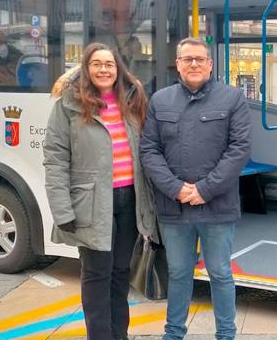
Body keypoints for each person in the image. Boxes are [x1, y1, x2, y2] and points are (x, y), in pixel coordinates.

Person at [43, 42, 158, 340]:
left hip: (129, 201)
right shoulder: (67, 106)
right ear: (86, 68)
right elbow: (55, 160)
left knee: (121, 274)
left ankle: (119, 335)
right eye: (97, 63)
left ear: (118, 69)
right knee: (96, 276)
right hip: (91, 205)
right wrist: (62, 210)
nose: (104, 69)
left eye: (109, 64)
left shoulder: (132, 101)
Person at [140, 37, 252, 340]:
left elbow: (239, 149)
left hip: (217, 206)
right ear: (177, 64)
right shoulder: (160, 100)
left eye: (200, 59)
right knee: (178, 273)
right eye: (187, 59)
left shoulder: (232, 98)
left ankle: (226, 335)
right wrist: (176, 189)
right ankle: (173, 334)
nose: (194, 64)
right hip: (174, 207)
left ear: (210, 64)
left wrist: (205, 189)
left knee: (220, 274)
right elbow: (149, 150)